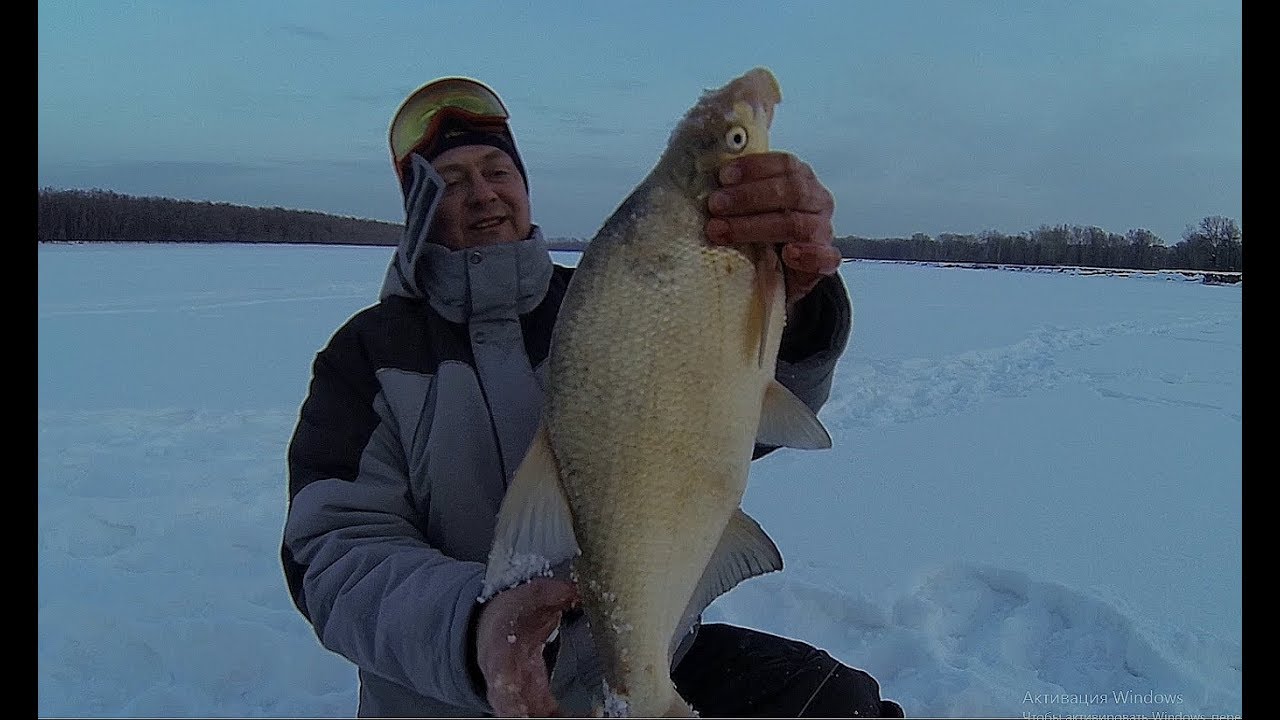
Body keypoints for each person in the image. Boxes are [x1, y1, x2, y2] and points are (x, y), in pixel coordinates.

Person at [281, 76, 904, 718]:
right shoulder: (366, 358)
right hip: (454, 700)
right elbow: (333, 556)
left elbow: (735, 416)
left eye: (497, 169)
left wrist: (789, 303)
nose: (485, 192)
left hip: (651, 656)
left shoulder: (609, 301)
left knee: (843, 705)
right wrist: (479, 632)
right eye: (454, 179)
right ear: (417, 206)